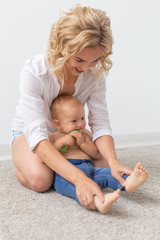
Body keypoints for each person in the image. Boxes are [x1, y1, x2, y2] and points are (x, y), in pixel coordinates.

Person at [11, 4, 137, 209]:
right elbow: (37, 136)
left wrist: (113, 161)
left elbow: (100, 123)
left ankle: (60, 168)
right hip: (33, 134)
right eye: (79, 59)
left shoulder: (95, 75)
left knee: (104, 165)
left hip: (73, 130)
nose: (86, 68)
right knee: (42, 180)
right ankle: (24, 167)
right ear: (62, 47)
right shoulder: (34, 71)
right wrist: (80, 179)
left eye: (95, 60)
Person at [50, 95, 148, 214]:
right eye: (74, 121)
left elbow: (95, 154)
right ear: (58, 124)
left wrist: (83, 143)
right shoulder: (54, 136)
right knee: (77, 189)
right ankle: (98, 201)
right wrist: (61, 142)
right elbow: (49, 156)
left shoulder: (84, 134)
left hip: (90, 169)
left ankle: (128, 182)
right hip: (67, 174)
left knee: (108, 174)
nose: (80, 124)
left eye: (82, 118)